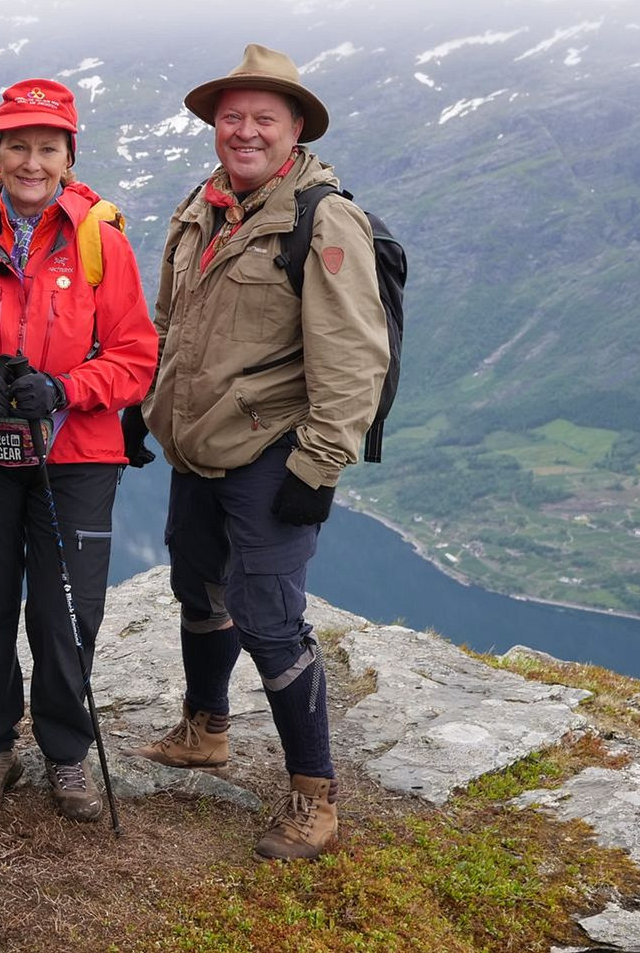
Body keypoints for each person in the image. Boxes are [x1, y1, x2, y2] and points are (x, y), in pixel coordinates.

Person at [127, 44, 389, 860]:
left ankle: (316, 796)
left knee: (271, 619)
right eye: (230, 117)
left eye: (262, 119)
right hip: (198, 444)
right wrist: (146, 406)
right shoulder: (203, 206)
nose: (243, 131)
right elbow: (171, 323)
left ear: (295, 127)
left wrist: (316, 471)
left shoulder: (322, 217)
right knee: (196, 585)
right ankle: (205, 730)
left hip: (274, 451)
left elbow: (353, 359)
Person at [0, 79, 157, 821]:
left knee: (65, 612)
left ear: (68, 156)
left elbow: (136, 356)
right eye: (17, 145)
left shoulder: (100, 242)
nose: (31, 161)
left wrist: (68, 388)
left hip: (76, 453)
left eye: (48, 147)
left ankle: (67, 753)